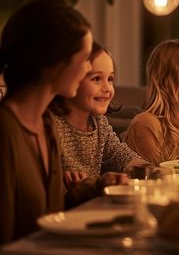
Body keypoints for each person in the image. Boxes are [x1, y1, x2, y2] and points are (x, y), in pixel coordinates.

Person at [0, 0, 127, 244]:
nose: (85, 69)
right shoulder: (6, 133)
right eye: (82, 60)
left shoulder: (46, 125)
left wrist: (99, 186)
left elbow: (51, 213)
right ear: (53, 65)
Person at [51, 42, 149, 188]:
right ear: (71, 79)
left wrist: (152, 170)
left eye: (110, 79)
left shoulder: (98, 122)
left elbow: (120, 156)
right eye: (96, 79)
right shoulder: (53, 126)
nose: (107, 88)